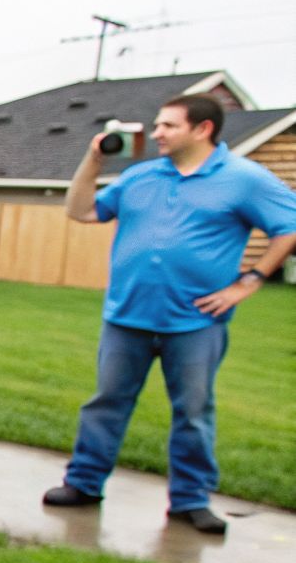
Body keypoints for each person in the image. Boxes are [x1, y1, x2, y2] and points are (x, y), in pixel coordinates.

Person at [42, 94, 296, 534]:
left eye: (167, 126)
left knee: (194, 412)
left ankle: (190, 501)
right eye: (157, 125)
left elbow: (288, 227)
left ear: (202, 129)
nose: (155, 133)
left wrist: (249, 281)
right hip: (127, 317)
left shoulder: (243, 179)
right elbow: (80, 210)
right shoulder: (140, 176)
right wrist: (93, 161)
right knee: (106, 405)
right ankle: (83, 485)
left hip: (195, 323)